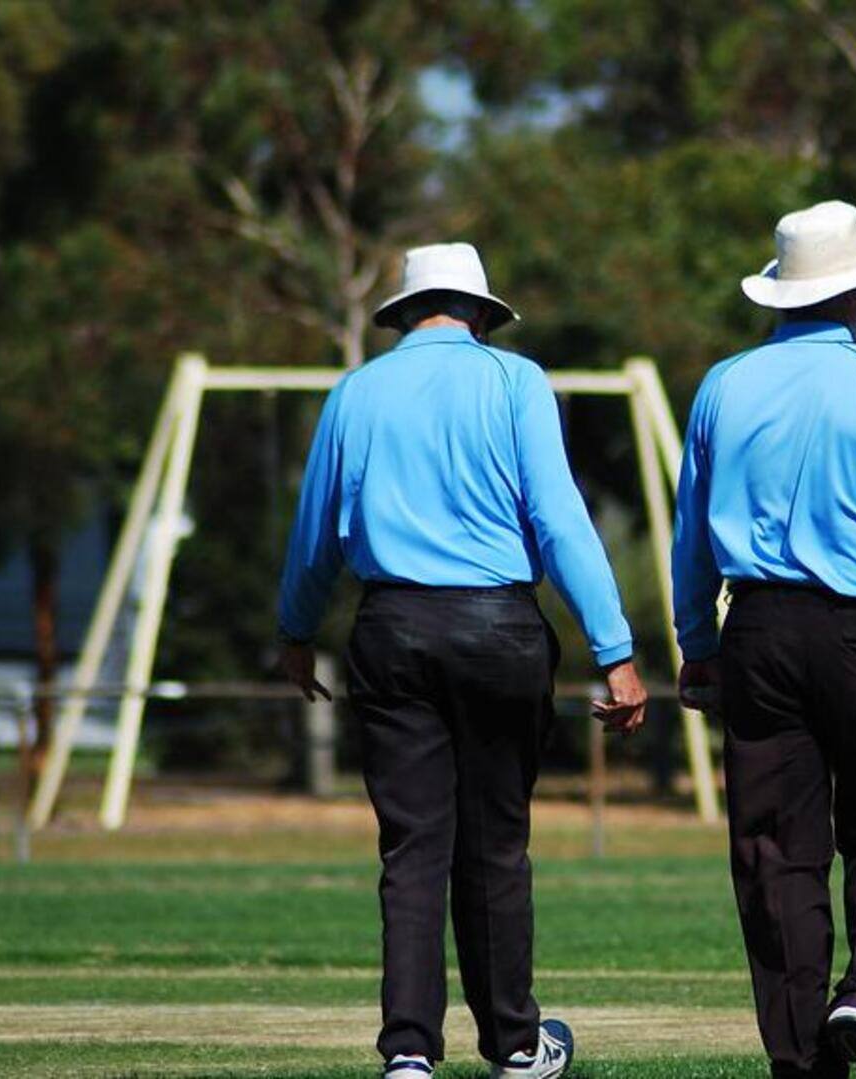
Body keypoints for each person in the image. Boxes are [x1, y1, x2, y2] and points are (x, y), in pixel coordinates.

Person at [276, 242, 647, 1079]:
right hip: (499, 628)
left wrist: (295, 631)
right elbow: (558, 519)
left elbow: (315, 530)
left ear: (405, 313)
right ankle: (515, 1043)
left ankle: (409, 1050)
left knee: (411, 850)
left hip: (392, 627)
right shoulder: (516, 382)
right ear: (481, 312)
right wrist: (614, 648)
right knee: (495, 847)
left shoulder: (356, 391)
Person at [672, 201, 856, 1079]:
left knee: (775, 850)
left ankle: (801, 1057)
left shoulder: (723, 385)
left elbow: (691, 537)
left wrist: (699, 642)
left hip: (756, 629)